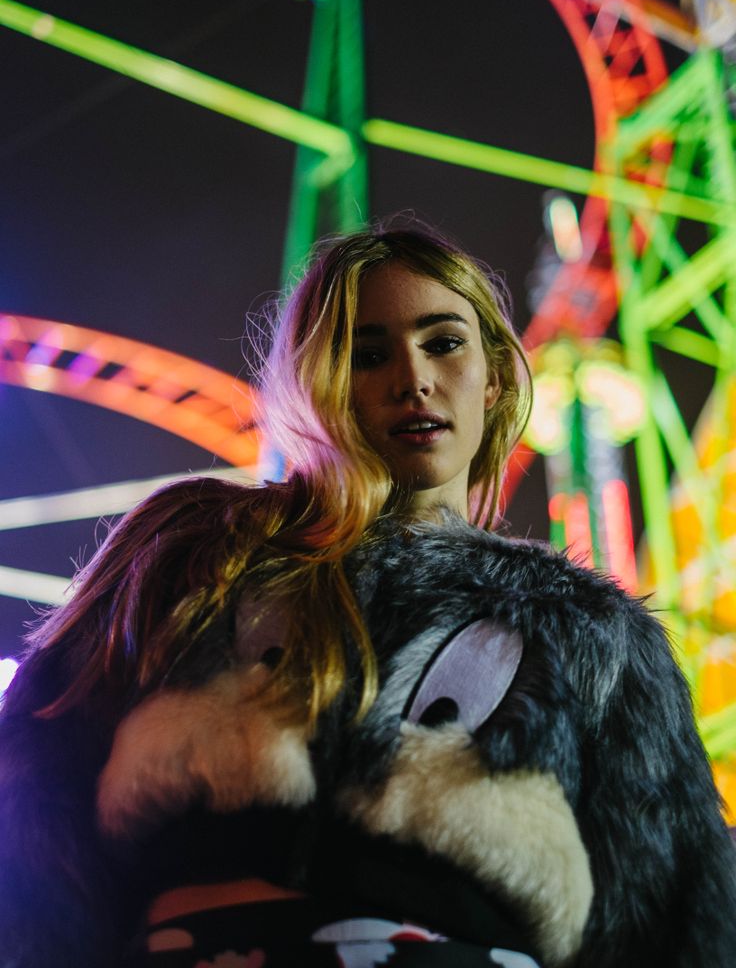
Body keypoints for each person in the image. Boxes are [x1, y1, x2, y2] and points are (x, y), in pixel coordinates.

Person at [1, 219, 735, 968]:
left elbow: (671, 918)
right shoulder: (191, 548)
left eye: (444, 342)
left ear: (496, 376)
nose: (412, 378)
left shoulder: (596, 630)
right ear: (319, 379)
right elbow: (35, 785)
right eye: (367, 352)